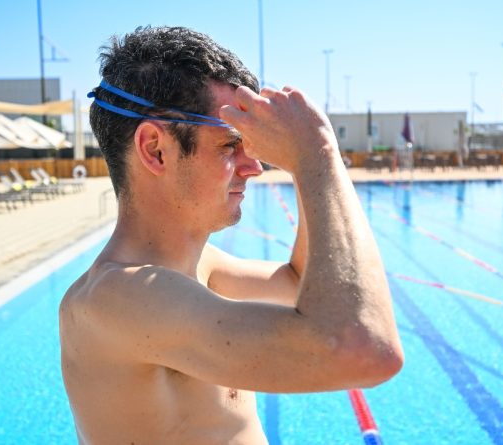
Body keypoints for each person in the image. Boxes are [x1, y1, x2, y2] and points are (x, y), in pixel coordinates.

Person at [59, 26, 403, 444]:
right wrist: (319, 156)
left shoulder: (202, 265)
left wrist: (300, 165)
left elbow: (298, 281)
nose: (254, 165)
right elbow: (365, 350)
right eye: (230, 145)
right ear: (155, 149)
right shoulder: (118, 298)